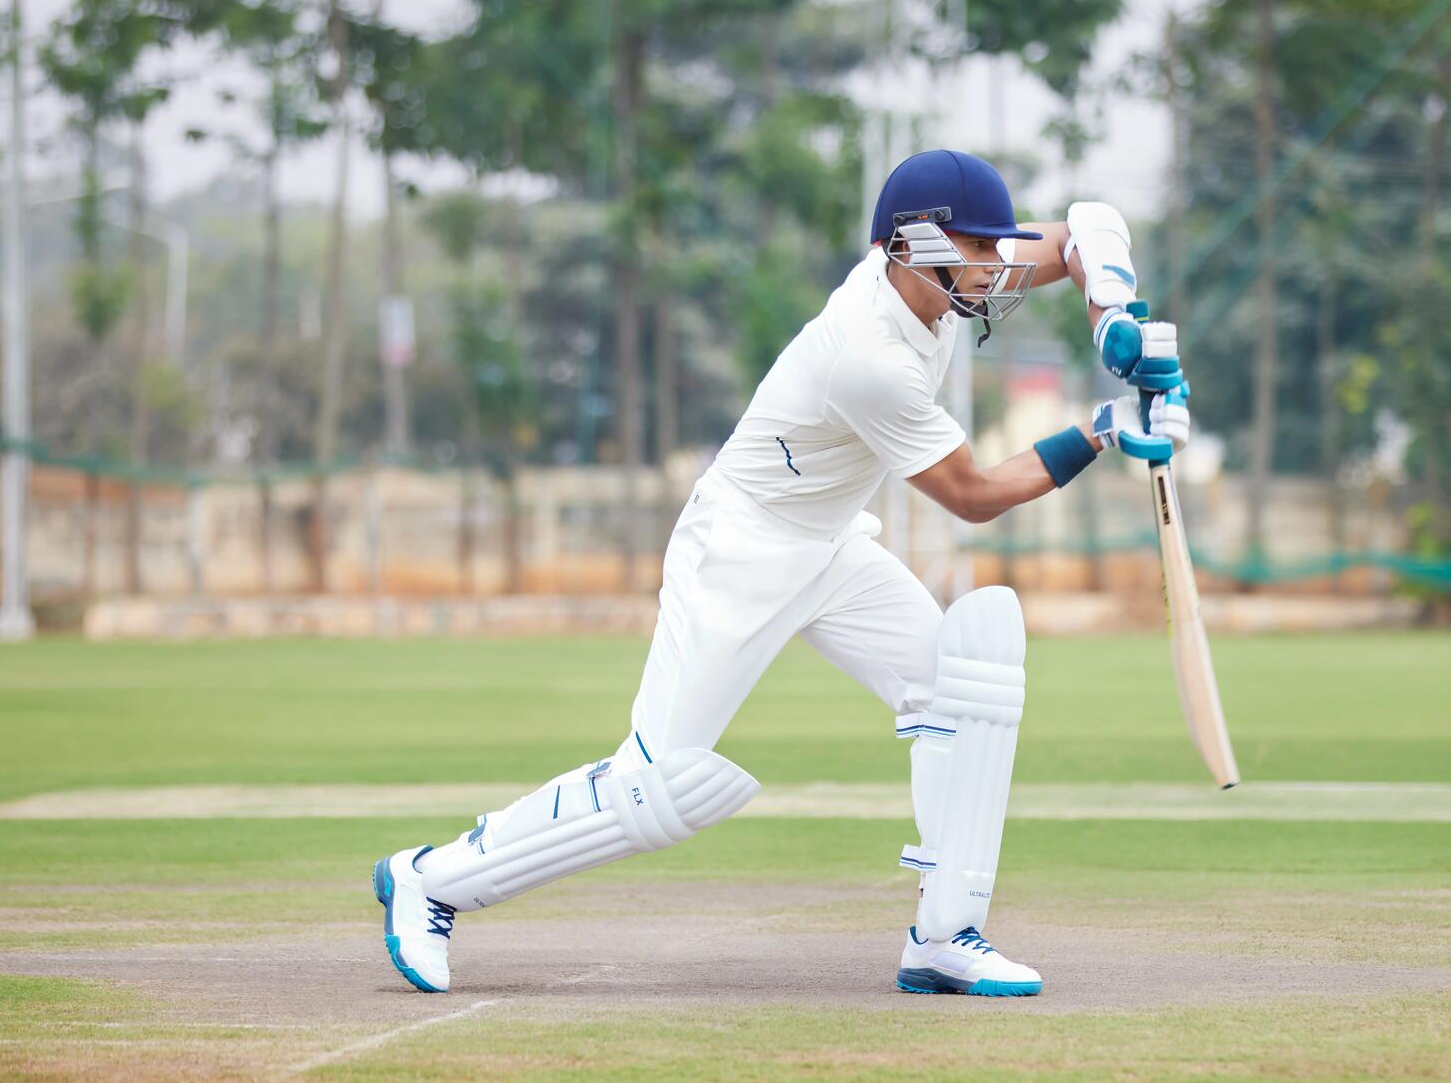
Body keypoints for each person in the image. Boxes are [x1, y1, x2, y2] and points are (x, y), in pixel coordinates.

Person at [372, 149, 1191, 998]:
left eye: (993, 246)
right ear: (912, 243)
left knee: (958, 687)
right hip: (742, 552)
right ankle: (431, 879)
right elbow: (974, 495)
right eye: (977, 249)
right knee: (656, 783)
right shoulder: (866, 356)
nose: (995, 266)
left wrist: (1116, 323)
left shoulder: (944, 271)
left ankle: (945, 936)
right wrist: (1102, 427)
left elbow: (1083, 230)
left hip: (831, 543)